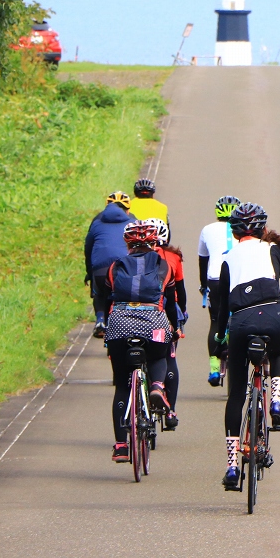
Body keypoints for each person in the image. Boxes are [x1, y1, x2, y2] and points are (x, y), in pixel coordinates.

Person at [209, 202, 280, 490]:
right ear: (262, 228)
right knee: (277, 352)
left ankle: (232, 467)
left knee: (236, 395)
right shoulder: (275, 250)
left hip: (242, 322)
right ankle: (275, 400)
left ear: (234, 233)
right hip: (276, 315)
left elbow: (222, 312)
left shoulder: (227, 259)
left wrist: (221, 339)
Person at [103, 220, 177, 463]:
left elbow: (107, 301)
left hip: (119, 324)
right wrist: (173, 329)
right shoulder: (164, 265)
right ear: (154, 242)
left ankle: (122, 445)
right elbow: (170, 302)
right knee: (159, 355)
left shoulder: (115, 267)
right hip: (153, 322)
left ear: (128, 243)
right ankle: (156, 386)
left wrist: (107, 326)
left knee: (122, 385)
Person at [146, 217, 187, 430]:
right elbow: (179, 292)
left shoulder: (129, 259)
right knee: (168, 358)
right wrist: (182, 316)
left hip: (133, 316)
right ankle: (170, 410)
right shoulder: (173, 258)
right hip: (167, 314)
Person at [198, 195, 241, 386]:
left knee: (216, 321)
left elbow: (203, 260)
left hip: (215, 279)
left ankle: (214, 368)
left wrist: (203, 286)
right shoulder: (243, 229)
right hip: (238, 278)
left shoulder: (207, 229)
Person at [84, 191, 135, 338]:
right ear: (128, 209)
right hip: (123, 267)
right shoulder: (133, 222)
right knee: (125, 295)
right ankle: (125, 324)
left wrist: (90, 272)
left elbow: (88, 249)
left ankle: (100, 320)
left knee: (99, 293)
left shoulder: (97, 222)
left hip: (100, 269)